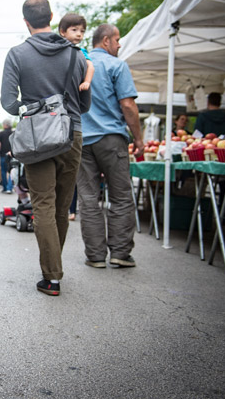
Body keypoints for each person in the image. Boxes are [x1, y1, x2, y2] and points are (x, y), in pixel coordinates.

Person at [0, 0, 90, 296]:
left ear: (25, 20)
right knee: (62, 208)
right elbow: (85, 102)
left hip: (38, 138)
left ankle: (52, 277)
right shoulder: (77, 55)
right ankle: (53, 269)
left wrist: (32, 108)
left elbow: (8, 103)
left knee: (43, 206)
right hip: (72, 135)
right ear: (52, 16)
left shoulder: (17, 54)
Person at [77, 23, 144, 269]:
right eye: (117, 41)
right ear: (106, 41)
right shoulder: (117, 65)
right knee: (121, 196)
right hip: (111, 138)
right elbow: (128, 105)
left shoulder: (78, 65)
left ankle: (95, 256)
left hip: (82, 141)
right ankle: (120, 253)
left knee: (88, 198)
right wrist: (138, 138)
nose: (118, 46)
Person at [58, 13, 95, 92]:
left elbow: (90, 66)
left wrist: (87, 81)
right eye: (74, 30)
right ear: (62, 32)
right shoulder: (56, 48)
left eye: (82, 31)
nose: (79, 34)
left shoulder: (81, 51)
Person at [0, 119, 14, 194]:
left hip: (3, 154)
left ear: (5, 125)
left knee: (3, 171)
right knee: (12, 171)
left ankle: (5, 187)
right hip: (12, 154)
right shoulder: (14, 133)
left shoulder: (0, 134)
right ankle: (10, 187)